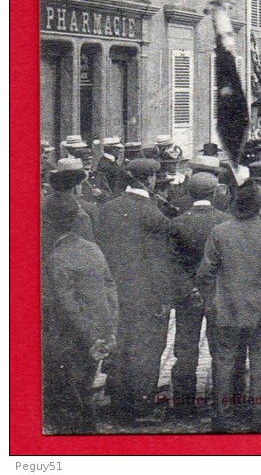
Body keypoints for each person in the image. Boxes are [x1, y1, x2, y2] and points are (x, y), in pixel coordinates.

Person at [198, 181, 261, 432]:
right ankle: (259, 415)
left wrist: (211, 300)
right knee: (260, 364)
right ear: (260, 207)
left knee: (223, 364)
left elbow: (206, 272)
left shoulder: (220, 231)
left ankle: (223, 417)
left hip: (226, 309)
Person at [95, 157, 175, 422]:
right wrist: (164, 297)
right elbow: (159, 262)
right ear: (150, 179)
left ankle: (117, 400)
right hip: (146, 295)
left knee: (121, 343)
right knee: (146, 348)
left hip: (113, 291)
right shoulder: (154, 214)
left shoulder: (107, 209)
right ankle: (141, 405)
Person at [42, 192, 118, 434]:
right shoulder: (92, 248)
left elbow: (67, 305)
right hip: (101, 326)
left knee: (72, 389)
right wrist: (108, 330)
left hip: (74, 334)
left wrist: (89, 337)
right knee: (85, 383)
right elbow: (110, 289)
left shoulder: (57, 257)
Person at [167, 171, 234, 417]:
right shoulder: (226, 222)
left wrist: (190, 289)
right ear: (215, 192)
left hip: (188, 297)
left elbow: (173, 264)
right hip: (218, 294)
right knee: (221, 349)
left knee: (185, 348)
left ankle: (184, 404)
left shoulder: (178, 223)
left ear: (190, 193)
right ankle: (223, 402)